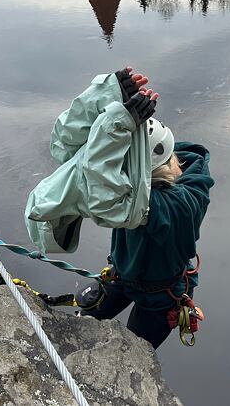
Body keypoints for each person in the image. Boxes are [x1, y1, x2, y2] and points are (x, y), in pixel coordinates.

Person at [81, 67, 215, 349]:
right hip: (124, 276)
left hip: (160, 298)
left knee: (132, 350)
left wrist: (117, 126)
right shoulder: (186, 178)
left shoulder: (167, 207)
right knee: (84, 319)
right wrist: (111, 99)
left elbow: (97, 184)